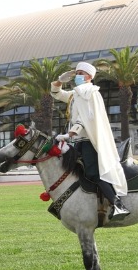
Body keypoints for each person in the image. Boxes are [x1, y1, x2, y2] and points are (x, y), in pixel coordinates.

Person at [51, 61, 129, 220]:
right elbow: (56, 94)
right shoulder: (76, 94)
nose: (77, 76)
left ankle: (118, 205)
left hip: (89, 141)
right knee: (72, 171)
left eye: (80, 73)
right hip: (78, 141)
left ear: (89, 77)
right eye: (76, 73)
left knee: (94, 173)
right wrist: (60, 80)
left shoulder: (91, 92)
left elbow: (87, 118)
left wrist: (70, 134)